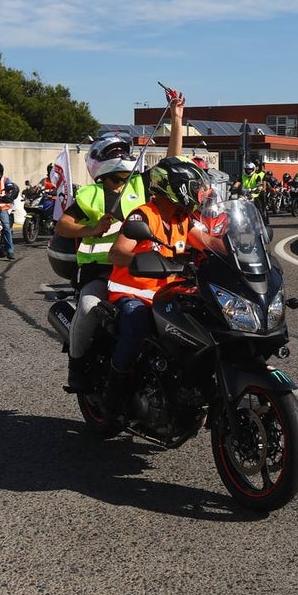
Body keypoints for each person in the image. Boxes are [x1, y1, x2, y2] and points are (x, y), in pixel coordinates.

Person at [55, 92, 186, 391]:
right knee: (87, 308)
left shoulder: (142, 184)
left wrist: (177, 119)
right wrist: (91, 229)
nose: (121, 157)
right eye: (113, 152)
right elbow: (64, 226)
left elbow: (172, 161)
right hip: (101, 272)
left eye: (123, 151)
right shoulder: (91, 194)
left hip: (146, 270)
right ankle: (76, 367)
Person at [104, 155, 209, 418]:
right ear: (177, 188)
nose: (198, 192)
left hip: (168, 295)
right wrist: (148, 260)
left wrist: (237, 252)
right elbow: (116, 254)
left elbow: (208, 242)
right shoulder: (143, 215)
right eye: (193, 186)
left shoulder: (183, 217)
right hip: (133, 293)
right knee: (136, 322)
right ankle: (114, 393)